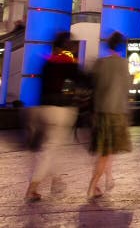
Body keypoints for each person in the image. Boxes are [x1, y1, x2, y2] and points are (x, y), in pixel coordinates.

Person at [25, 32, 87, 202]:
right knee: (51, 149)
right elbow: (83, 79)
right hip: (60, 111)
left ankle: (56, 180)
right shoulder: (67, 62)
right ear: (66, 45)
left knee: (53, 146)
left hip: (43, 108)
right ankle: (33, 188)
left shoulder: (47, 63)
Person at [87, 31, 132, 199]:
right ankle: (93, 185)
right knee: (106, 153)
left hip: (100, 112)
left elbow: (93, 85)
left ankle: (107, 178)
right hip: (115, 112)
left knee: (106, 151)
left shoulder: (100, 63)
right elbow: (127, 87)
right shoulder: (122, 63)